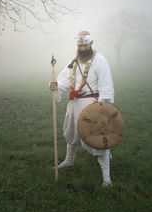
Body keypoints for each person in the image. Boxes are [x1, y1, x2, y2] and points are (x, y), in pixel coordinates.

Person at [49, 30, 115, 186]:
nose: (82, 48)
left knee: (98, 139)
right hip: (74, 103)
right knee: (71, 133)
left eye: (85, 45)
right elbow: (64, 79)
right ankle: (68, 161)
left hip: (92, 105)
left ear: (91, 43)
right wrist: (56, 85)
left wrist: (102, 106)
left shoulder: (100, 60)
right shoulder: (74, 60)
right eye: (80, 45)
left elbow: (106, 85)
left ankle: (107, 178)